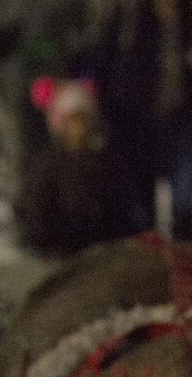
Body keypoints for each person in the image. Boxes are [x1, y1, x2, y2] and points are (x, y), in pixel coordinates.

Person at [104, 0, 192, 242]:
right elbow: (109, 61)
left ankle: (184, 258)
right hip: (140, 115)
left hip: (181, 112)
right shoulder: (131, 13)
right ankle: (150, 260)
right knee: (142, 196)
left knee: (184, 195)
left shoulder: (191, 12)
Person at [13, 78, 138, 257]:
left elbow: (122, 208)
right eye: (74, 120)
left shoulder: (107, 162)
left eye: (84, 119)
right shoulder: (48, 165)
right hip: (62, 253)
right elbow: (36, 211)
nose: (80, 127)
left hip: (102, 253)